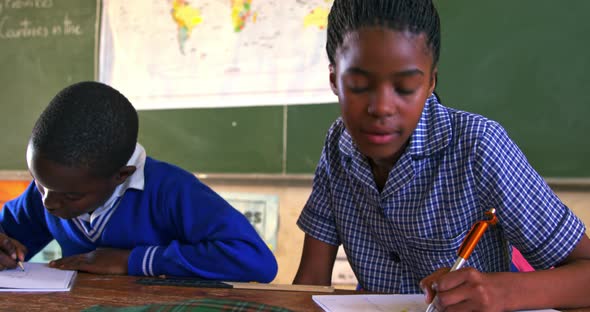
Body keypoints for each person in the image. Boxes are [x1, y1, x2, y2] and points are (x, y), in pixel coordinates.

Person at [293, 0, 590, 310]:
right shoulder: (338, 145)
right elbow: (311, 281)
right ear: (333, 80)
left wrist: (501, 292)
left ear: (430, 82)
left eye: (406, 86)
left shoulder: (477, 146)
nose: (381, 107)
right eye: (357, 84)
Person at [0, 81, 277, 282]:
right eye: (38, 182)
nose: (48, 201)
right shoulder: (55, 189)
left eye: (71, 196)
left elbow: (255, 260)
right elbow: (9, 231)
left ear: (121, 175)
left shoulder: (171, 191)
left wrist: (132, 261)